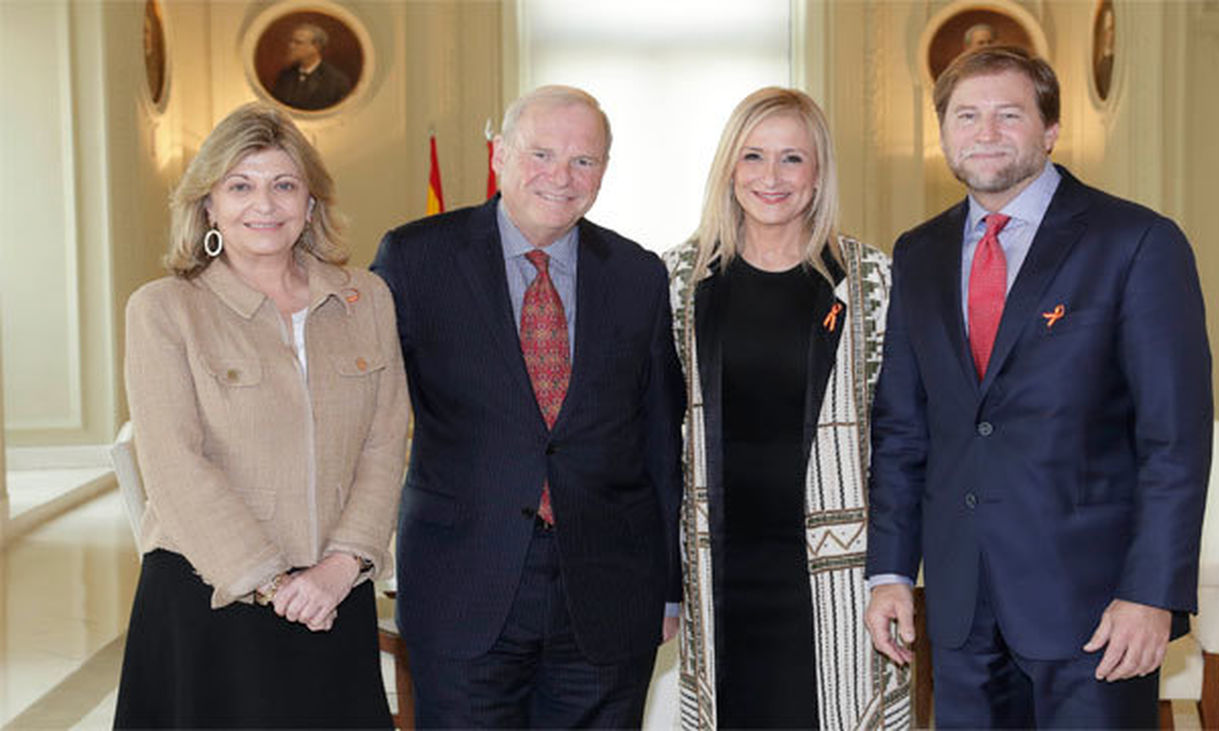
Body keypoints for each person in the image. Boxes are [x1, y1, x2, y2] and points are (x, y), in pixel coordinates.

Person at [864, 46, 1212, 728]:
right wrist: (890, 571)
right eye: (966, 115)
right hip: (962, 610)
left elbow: (1173, 440)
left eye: (1007, 114)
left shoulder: (1135, 241)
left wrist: (1150, 593)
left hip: (1094, 611)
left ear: (1049, 130)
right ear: (943, 133)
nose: (984, 132)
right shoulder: (919, 252)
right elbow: (903, 427)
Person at [371, 85, 686, 728]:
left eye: (584, 161)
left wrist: (670, 586)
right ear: (498, 155)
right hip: (462, 585)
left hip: (607, 594)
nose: (561, 177)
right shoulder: (415, 258)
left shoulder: (638, 275)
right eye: (541, 153)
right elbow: (368, 414)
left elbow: (660, 439)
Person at [113, 102, 409, 729]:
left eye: (284, 185)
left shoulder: (367, 298)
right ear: (208, 205)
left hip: (334, 595)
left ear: (310, 202)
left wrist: (341, 566)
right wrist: (273, 584)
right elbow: (172, 464)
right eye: (240, 186)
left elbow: (385, 445)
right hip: (211, 599)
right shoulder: (164, 309)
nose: (264, 205)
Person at [663, 87, 911, 730]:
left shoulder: (872, 281)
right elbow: (652, 443)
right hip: (718, 568)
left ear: (819, 172)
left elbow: (903, 438)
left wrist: (896, 569)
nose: (771, 178)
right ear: (729, 168)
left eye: (792, 159)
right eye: (753, 156)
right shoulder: (678, 281)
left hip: (842, 571)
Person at [271, 23, 351, 111]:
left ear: (316, 47)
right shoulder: (285, 76)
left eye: (298, 42)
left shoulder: (337, 81)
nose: (291, 46)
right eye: (291, 41)